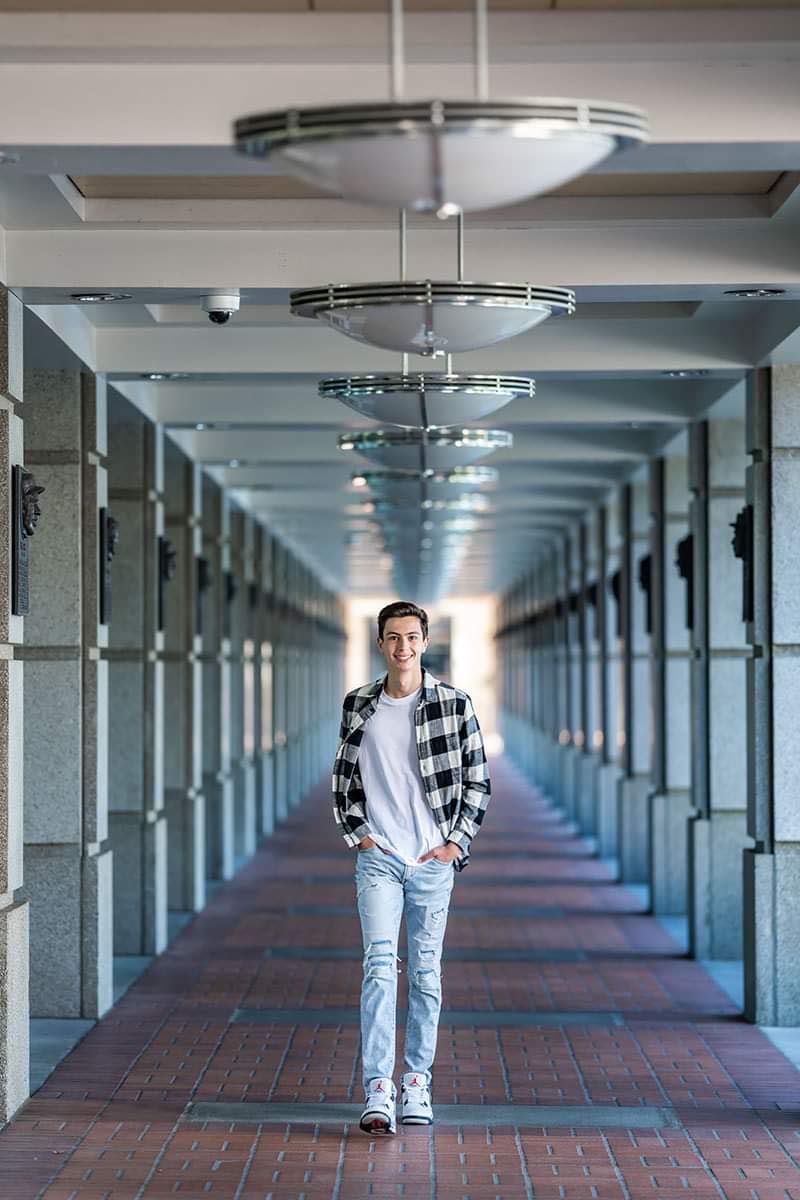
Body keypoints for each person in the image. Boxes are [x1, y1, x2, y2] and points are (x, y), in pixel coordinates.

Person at [332, 600, 491, 1134]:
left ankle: (417, 1082)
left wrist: (454, 843)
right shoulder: (359, 705)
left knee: (425, 973)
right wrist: (360, 836)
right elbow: (344, 781)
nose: (403, 647)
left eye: (412, 637)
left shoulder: (453, 703)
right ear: (380, 643)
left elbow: (478, 781)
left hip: (430, 862)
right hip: (380, 860)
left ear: (425, 641)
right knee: (379, 968)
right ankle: (379, 1089)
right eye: (393, 638)